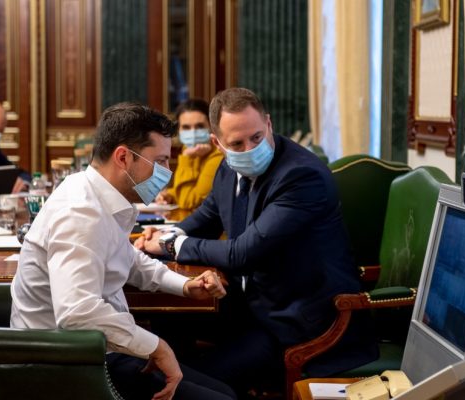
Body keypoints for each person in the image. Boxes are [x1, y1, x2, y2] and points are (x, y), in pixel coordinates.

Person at [135, 88, 378, 396]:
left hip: (298, 322)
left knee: (191, 380)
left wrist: (171, 246)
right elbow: (208, 216)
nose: (249, 148)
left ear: (269, 124)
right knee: (169, 320)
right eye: (237, 144)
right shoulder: (229, 166)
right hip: (252, 306)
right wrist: (169, 234)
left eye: (257, 137)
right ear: (218, 144)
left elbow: (242, 253)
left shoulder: (301, 176)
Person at [10, 102, 237, 400]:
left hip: (97, 347)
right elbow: (77, 312)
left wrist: (184, 285)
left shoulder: (97, 192)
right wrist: (156, 346)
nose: (167, 172)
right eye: (160, 161)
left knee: (225, 391)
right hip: (66, 362)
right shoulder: (81, 213)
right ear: (123, 157)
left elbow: (130, 260)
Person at [155, 99, 223, 210]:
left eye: (200, 126)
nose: (193, 132)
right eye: (186, 127)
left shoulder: (219, 156)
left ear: (211, 126)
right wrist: (170, 195)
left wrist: (186, 158)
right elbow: (188, 188)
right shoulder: (189, 149)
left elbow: (188, 202)